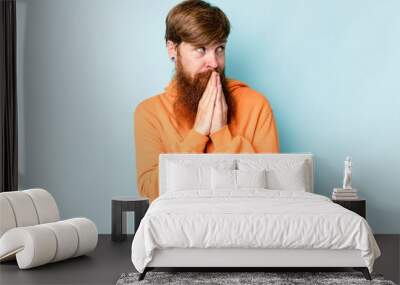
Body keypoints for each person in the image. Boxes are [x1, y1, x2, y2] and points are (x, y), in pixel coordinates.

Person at [134, 0, 280, 202]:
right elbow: (151, 191)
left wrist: (221, 133)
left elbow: (271, 188)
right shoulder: (149, 113)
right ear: (172, 49)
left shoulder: (256, 105)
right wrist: (198, 133)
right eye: (201, 49)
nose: (214, 63)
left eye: (219, 48)